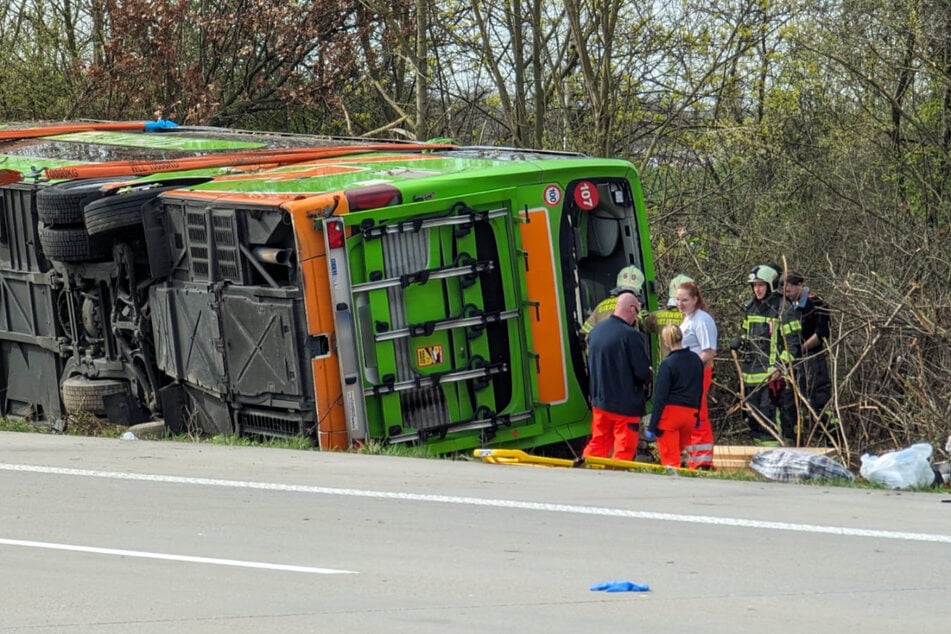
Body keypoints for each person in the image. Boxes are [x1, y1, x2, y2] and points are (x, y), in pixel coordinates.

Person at [582, 292, 652, 461]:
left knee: (598, 441)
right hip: (625, 405)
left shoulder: (597, 331)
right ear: (631, 309)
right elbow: (642, 371)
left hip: (600, 402)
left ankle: (585, 472)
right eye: (636, 311)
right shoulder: (630, 335)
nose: (636, 317)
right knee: (624, 447)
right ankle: (617, 480)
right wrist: (648, 375)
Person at [731, 264, 783, 445]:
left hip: (772, 375)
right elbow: (747, 335)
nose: (757, 289)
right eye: (754, 285)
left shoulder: (782, 308)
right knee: (752, 416)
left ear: (770, 285)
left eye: (761, 285)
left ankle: (775, 454)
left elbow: (792, 343)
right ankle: (758, 453)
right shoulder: (750, 307)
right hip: (751, 372)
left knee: (769, 416)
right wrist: (740, 343)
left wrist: (780, 366)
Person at [779, 271, 832, 441]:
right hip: (794, 359)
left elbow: (822, 333)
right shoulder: (786, 306)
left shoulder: (816, 303)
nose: (787, 295)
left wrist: (801, 348)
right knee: (790, 399)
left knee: (818, 399)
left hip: (813, 358)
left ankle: (831, 437)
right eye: (785, 292)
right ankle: (793, 438)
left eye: (790, 291)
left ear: (800, 285)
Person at [673, 280, 718, 468]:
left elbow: (709, 351)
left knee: (698, 415)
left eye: (684, 300)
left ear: (695, 299)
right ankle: (693, 459)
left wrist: (692, 369)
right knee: (690, 415)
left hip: (699, 373)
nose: (680, 304)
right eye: (677, 300)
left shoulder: (702, 320)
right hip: (688, 374)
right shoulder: (688, 319)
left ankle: (703, 461)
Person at [647, 325, 704, 467]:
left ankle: (673, 484)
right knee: (685, 456)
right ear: (681, 337)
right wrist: (698, 414)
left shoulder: (667, 364)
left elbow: (660, 397)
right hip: (690, 414)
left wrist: (652, 427)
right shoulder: (696, 360)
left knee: (670, 459)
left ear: (666, 341)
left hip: (671, 415)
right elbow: (700, 389)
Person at [580, 265, 645, 339]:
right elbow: (642, 325)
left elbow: (584, 332)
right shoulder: (634, 308)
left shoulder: (601, 306)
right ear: (639, 290)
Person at [639, 273, 693, 358]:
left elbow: (640, 324)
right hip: (688, 368)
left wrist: (639, 312)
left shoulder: (657, 316)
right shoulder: (695, 319)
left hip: (665, 367)